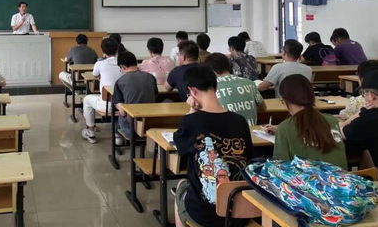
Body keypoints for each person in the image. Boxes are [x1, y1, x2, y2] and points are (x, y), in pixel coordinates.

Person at [173, 66, 253, 227]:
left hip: (204, 215)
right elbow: (249, 155)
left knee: (181, 185)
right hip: (239, 212)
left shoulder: (189, 122)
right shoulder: (240, 121)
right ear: (216, 86)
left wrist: (191, 110)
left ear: (192, 91)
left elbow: (181, 150)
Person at [266, 74, 347, 169]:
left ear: (286, 100)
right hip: (340, 177)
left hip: (308, 178)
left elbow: (279, 168)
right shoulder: (332, 120)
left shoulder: (285, 128)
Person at [204, 53, 266, 126]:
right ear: (229, 66)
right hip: (250, 131)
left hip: (226, 132)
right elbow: (263, 108)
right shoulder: (249, 83)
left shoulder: (210, 88)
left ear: (211, 71)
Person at [81, 38, 123, 144]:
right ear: (117, 49)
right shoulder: (123, 63)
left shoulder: (100, 64)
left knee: (87, 99)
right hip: (124, 105)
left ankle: (91, 132)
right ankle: (118, 134)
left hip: (107, 105)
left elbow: (95, 75)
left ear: (102, 50)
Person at [112, 51, 158, 139]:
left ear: (123, 67)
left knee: (119, 113)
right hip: (152, 125)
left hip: (132, 130)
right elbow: (155, 95)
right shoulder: (150, 77)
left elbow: (122, 111)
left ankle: (118, 137)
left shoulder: (120, 81)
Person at [341, 70, 378, 168]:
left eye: (364, 93)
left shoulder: (369, 118)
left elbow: (342, 133)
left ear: (372, 96)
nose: (365, 98)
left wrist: (364, 111)